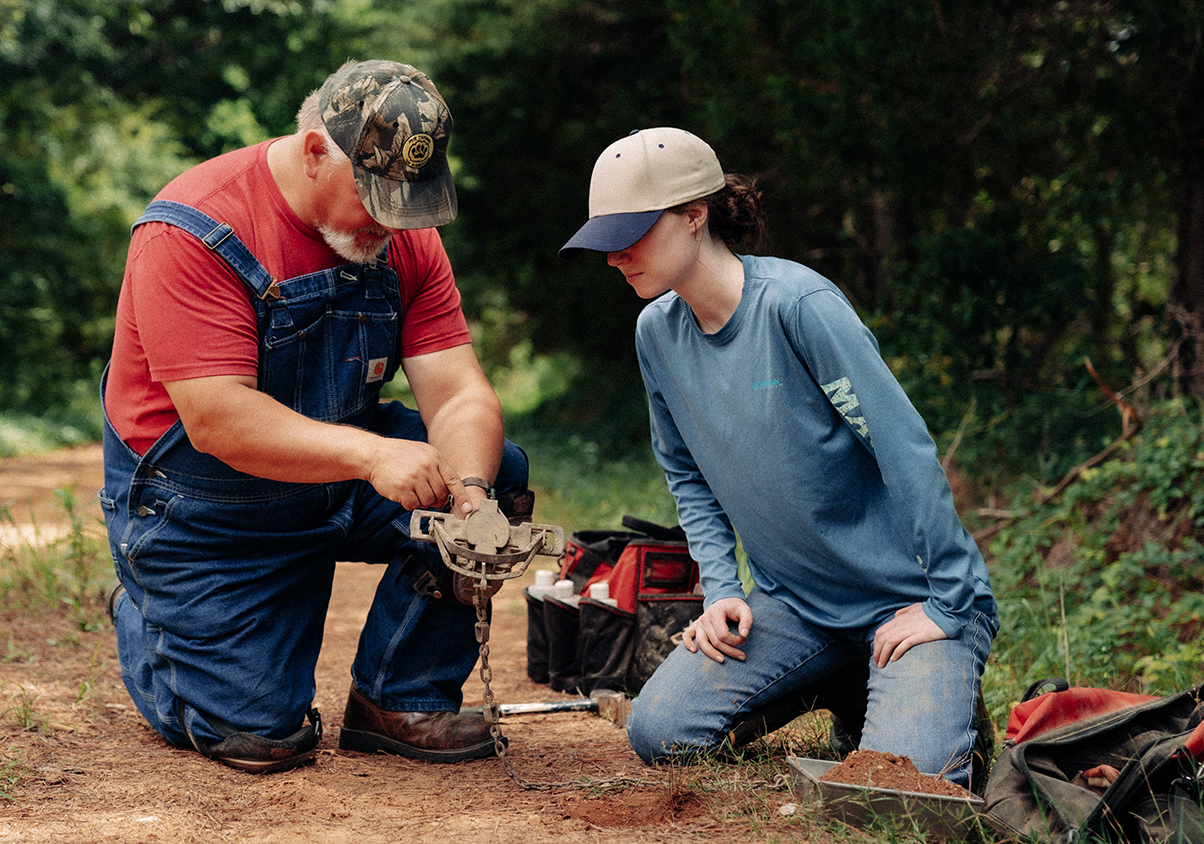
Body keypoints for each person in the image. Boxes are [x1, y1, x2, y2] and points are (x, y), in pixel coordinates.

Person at [100, 59, 531, 775]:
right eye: (376, 199)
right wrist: (370, 457)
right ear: (312, 152)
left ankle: (400, 699)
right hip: (207, 503)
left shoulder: (403, 237)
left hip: (336, 470)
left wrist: (473, 496)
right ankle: (151, 615)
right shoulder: (192, 230)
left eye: (408, 202)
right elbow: (220, 422)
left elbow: (457, 393)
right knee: (262, 738)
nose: (394, 223)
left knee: (497, 469)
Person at [558, 127, 999, 787]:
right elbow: (687, 473)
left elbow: (904, 448)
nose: (614, 256)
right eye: (606, 240)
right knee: (659, 733)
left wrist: (948, 599)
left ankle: (923, 687)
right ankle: (845, 678)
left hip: (903, 598)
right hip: (794, 606)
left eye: (631, 234)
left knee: (906, 785)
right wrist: (723, 590)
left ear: (693, 215)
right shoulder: (657, 333)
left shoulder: (799, 306)